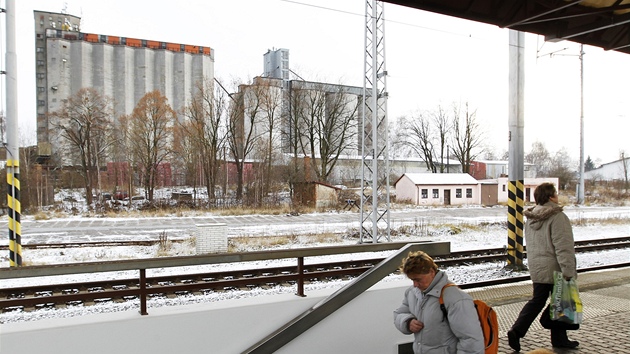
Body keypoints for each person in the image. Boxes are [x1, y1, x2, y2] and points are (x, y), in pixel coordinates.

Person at [507, 182, 579, 351]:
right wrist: (569, 271)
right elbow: (563, 247)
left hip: (538, 267)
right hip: (555, 268)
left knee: (538, 301)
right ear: (550, 196)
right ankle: (559, 339)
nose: (557, 196)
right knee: (560, 303)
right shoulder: (558, 217)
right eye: (555, 193)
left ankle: (517, 331)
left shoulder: (531, 218)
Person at [393, 251, 484, 354]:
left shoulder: (456, 299)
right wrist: (407, 322)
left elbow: (471, 341)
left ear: (431, 272)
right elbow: (398, 314)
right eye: (412, 280)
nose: (415, 285)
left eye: (418, 279)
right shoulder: (412, 293)